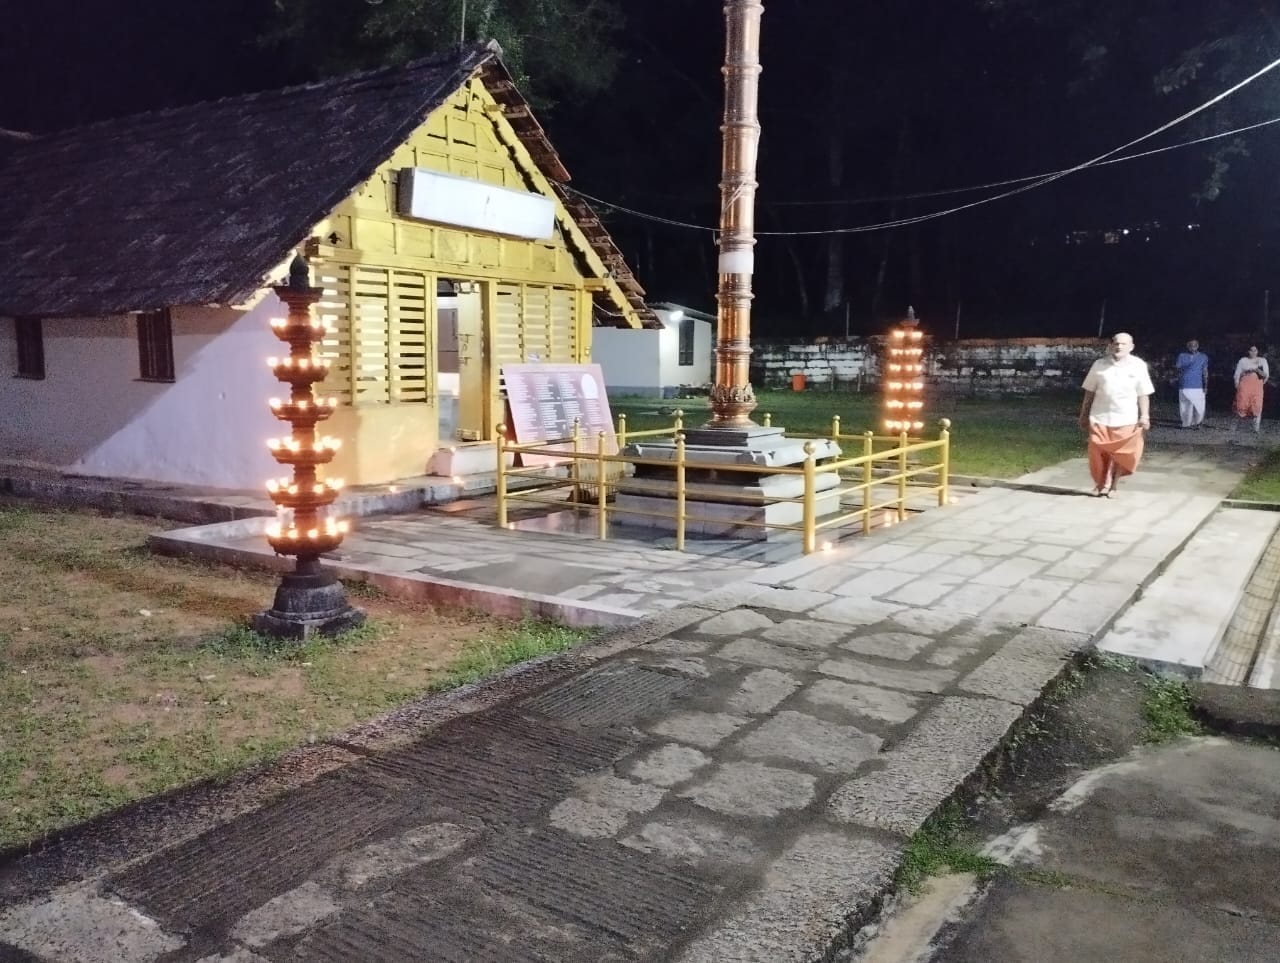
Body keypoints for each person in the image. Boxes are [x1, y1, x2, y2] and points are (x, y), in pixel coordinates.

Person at [1079, 332, 1154, 497]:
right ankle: (1101, 483)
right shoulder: (1099, 365)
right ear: (1111, 345)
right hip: (1100, 417)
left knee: (1121, 455)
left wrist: (1145, 416)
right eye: (1116, 343)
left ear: (1131, 347)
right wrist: (1083, 414)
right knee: (1098, 453)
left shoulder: (1138, 365)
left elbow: (1143, 393)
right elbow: (1089, 392)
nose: (1119, 347)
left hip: (1126, 418)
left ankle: (1113, 485)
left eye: (1124, 344)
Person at [1232, 345, 1269, 434]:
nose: (1253, 352)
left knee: (1257, 405)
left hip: (1257, 386)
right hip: (1244, 386)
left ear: (1258, 351)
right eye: (1251, 350)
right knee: (1241, 405)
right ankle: (1238, 427)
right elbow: (1237, 374)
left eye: (1255, 350)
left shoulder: (1262, 360)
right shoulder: (1243, 360)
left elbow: (1266, 375)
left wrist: (1256, 370)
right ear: (1247, 351)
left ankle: (1256, 429)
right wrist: (1237, 385)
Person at [1174, 339, 1209, 428]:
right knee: (1185, 406)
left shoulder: (1203, 357)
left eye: (1195, 345)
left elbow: (1205, 371)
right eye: (1191, 345)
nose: (1193, 346)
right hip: (1184, 384)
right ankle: (1186, 424)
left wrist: (1206, 385)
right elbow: (1177, 369)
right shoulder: (1182, 356)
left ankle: (1198, 423)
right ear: (1188, 346)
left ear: (1198, 346)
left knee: (1199, 405)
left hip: (1198, 385)